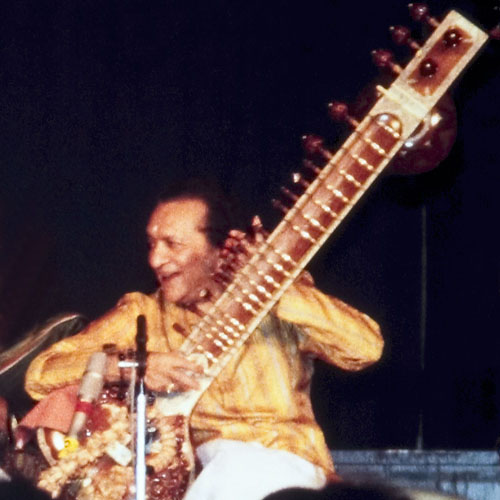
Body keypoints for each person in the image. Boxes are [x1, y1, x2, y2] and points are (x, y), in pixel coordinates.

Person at [24, 181, 384, 500]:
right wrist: (137, 365)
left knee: (236, 465)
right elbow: (40, 374)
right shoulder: (144, 314)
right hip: (199, 477)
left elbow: (365, 348)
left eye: (171, 244)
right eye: (151, 244)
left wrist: (280, 293)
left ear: (220, 248)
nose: (155, 258)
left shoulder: (280, 301)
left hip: (288, 471)